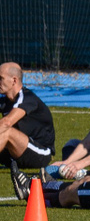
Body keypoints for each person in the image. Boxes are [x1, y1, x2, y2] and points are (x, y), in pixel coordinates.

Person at [0, 62, 56, 199]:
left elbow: (7, 122)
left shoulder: (27, 98)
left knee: (7, 131)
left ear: (14, 80)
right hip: (17, 153)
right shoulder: (5, 100)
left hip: (40, 154)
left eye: (0, 78)